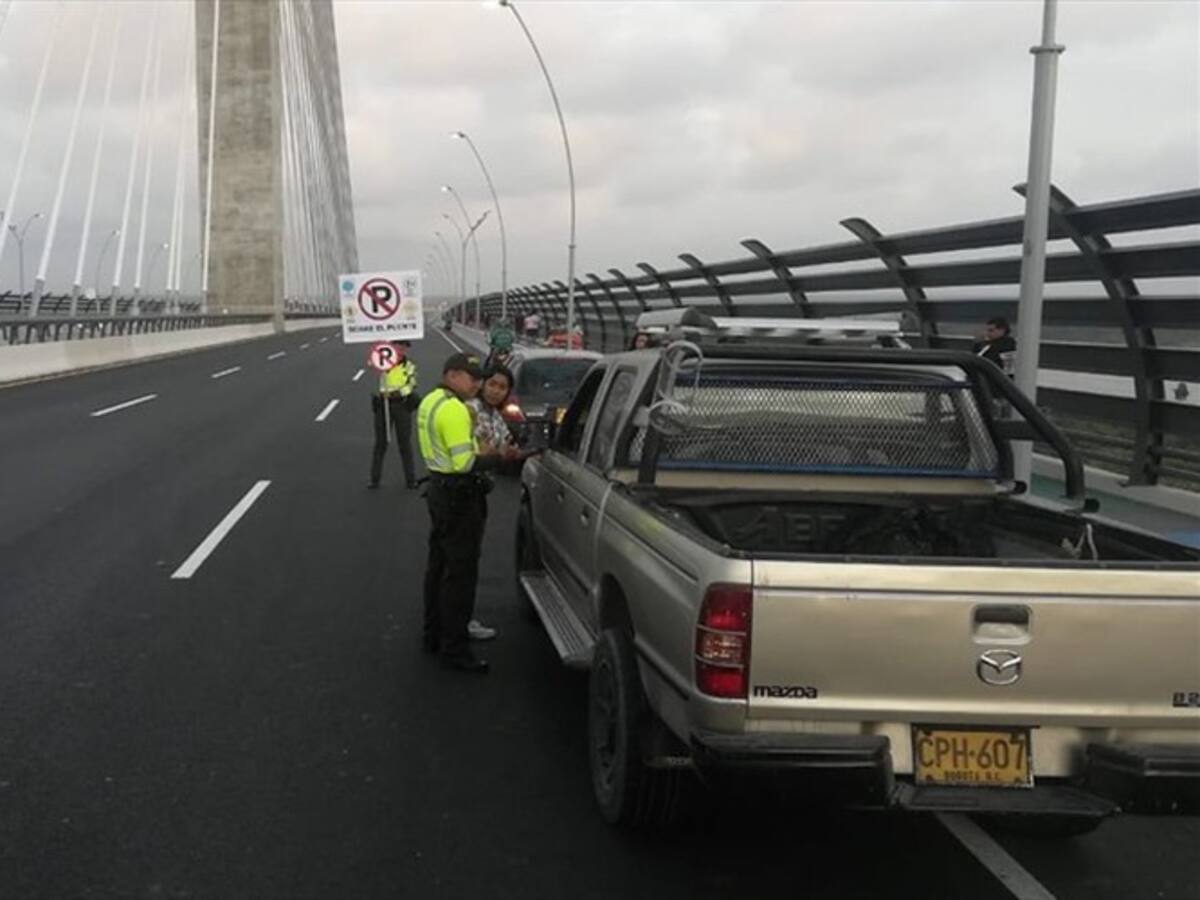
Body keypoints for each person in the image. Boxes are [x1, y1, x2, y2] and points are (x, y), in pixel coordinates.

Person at [417, 353, 521, 673]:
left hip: (438, 489)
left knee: (438, 568)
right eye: (471, 377)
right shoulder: (455, 409)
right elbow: (464, 463)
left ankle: (433, 634)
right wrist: (500, 458)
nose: (477, 383)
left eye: (479, 378)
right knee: (460, 576)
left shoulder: (431, 400)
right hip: (459, 497)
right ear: (451, 375)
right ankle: (456, 649)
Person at [368, 341, 418, 490]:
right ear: (392, 347)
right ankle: (374, 479)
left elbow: (412, 384)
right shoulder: (381, 362)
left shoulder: (409, 366)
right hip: (383, 405)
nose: (401, 349)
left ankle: (411, 480)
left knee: (405, 443)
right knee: (380, 443)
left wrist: (398, 393)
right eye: (398, 346)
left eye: (404, 347)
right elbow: (370, 366)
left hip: (401, 405)